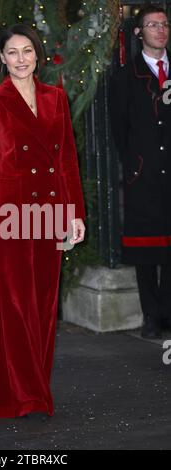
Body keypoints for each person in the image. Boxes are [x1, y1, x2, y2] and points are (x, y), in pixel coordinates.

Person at [0, 23, 85, 419]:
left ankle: (36, 390)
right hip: (9, 215)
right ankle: (15, 397)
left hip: (51, 213)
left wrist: (75, 213)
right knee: (13, 307)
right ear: (2, 59)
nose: (21, 59)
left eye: (27, 51)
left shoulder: (57, 98)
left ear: (37, 55)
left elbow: (67, 159)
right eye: (13, 52)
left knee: (42, 305)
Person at [110, 4, 171, 338]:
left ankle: (168, 314)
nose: (160, 30)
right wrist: (136, 162)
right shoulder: (124, 77)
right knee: (147, 250)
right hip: (143, 174)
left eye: (164, 24)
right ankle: (152, 316)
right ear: (139, 32)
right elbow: (120, 129)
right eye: (152, 25)